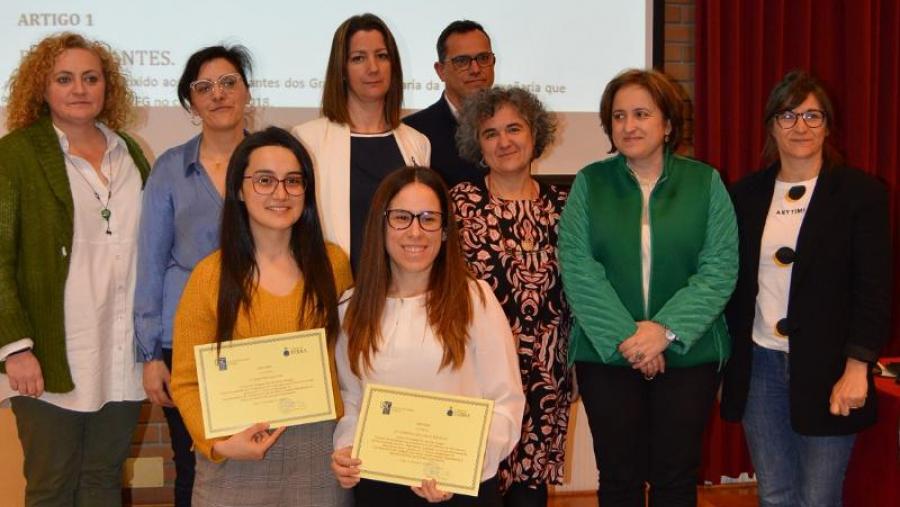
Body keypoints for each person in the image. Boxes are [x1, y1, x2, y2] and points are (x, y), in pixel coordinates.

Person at [558, 68, 738, 507]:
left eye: (641, 114)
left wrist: (664, 331)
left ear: (668, 124)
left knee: (675, 478)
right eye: (618, 116)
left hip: (687, 355)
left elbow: (719, 269)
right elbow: (578, 266)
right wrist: (630, 339)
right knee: (618, 478)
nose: (629, 126)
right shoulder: (590, 182)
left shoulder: (705, 183)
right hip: (608, 355)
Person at [720, 70, 891, 507]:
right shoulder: (743, 196)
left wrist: (858, 367)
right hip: (760, 365)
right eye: (788, 115)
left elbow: (874, 289)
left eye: (813, 116)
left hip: (830, 368)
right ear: (771, 125)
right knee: (775, 494)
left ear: (828, 126)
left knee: (819, 497)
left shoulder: (860, 194)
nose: (801, 126)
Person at [0, 32, 151, 506]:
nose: (80, 89)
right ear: (41, 88)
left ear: (108, 87)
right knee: (52, 486)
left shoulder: (129, 151)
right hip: (49, 356)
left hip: (121, 354)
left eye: (91, 78)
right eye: (64, 79)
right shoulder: (17, 154)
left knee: (103, 480)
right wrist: (15, 348)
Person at [170, 127, 353, 506]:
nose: (280, 194)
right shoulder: (210, 276)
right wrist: (218, 443)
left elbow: (352, 362)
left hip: (319, 457)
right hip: (236, 458)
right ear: (239, 189)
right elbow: (187, 379)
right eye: (265, 180)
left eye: (293, 181)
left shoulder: (333, 265)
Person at [330, 167, 525, 506]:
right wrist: (346, 447)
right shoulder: (351, 306)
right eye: (401, 217)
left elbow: (505, 401)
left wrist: (461, 466)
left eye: (428, 219)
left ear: (445, 230)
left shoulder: (474, 299)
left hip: (460, 489)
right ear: (381, 225)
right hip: (380, 487)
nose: (415, 231)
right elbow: (352, 398)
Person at [133, 44, 254, 507]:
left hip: (260, 334)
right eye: (204, 88)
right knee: (194, 462)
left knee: (258, 460)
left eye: (228, 83)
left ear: (246, 91)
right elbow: (151, 261)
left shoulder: (272, 159)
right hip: (186, 340)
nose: (217, 94)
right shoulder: (170, 169)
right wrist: (151, 355)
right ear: (191, 103)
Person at [451, 86, 572, 507]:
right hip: (477, 373)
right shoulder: (459, 205)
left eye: (514, 129)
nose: (504, 141)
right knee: (479, 486)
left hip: (546, 374)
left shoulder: (565, 207)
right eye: (491, 133)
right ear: (478, 144)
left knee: (530, 493)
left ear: (535, 133)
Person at [292, 13, 430, 272]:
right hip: (336, 287)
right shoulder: (307, 140)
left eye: (382, 56)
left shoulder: (417, 143)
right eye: (358, 58)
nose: (373, 68)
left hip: (401, 286)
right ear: (341, 70)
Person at [403, 20, 495, 187]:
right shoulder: (412, 132)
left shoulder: (511, 127)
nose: (475, 69)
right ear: (440, 71)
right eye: (462, 61)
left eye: (483, 58)